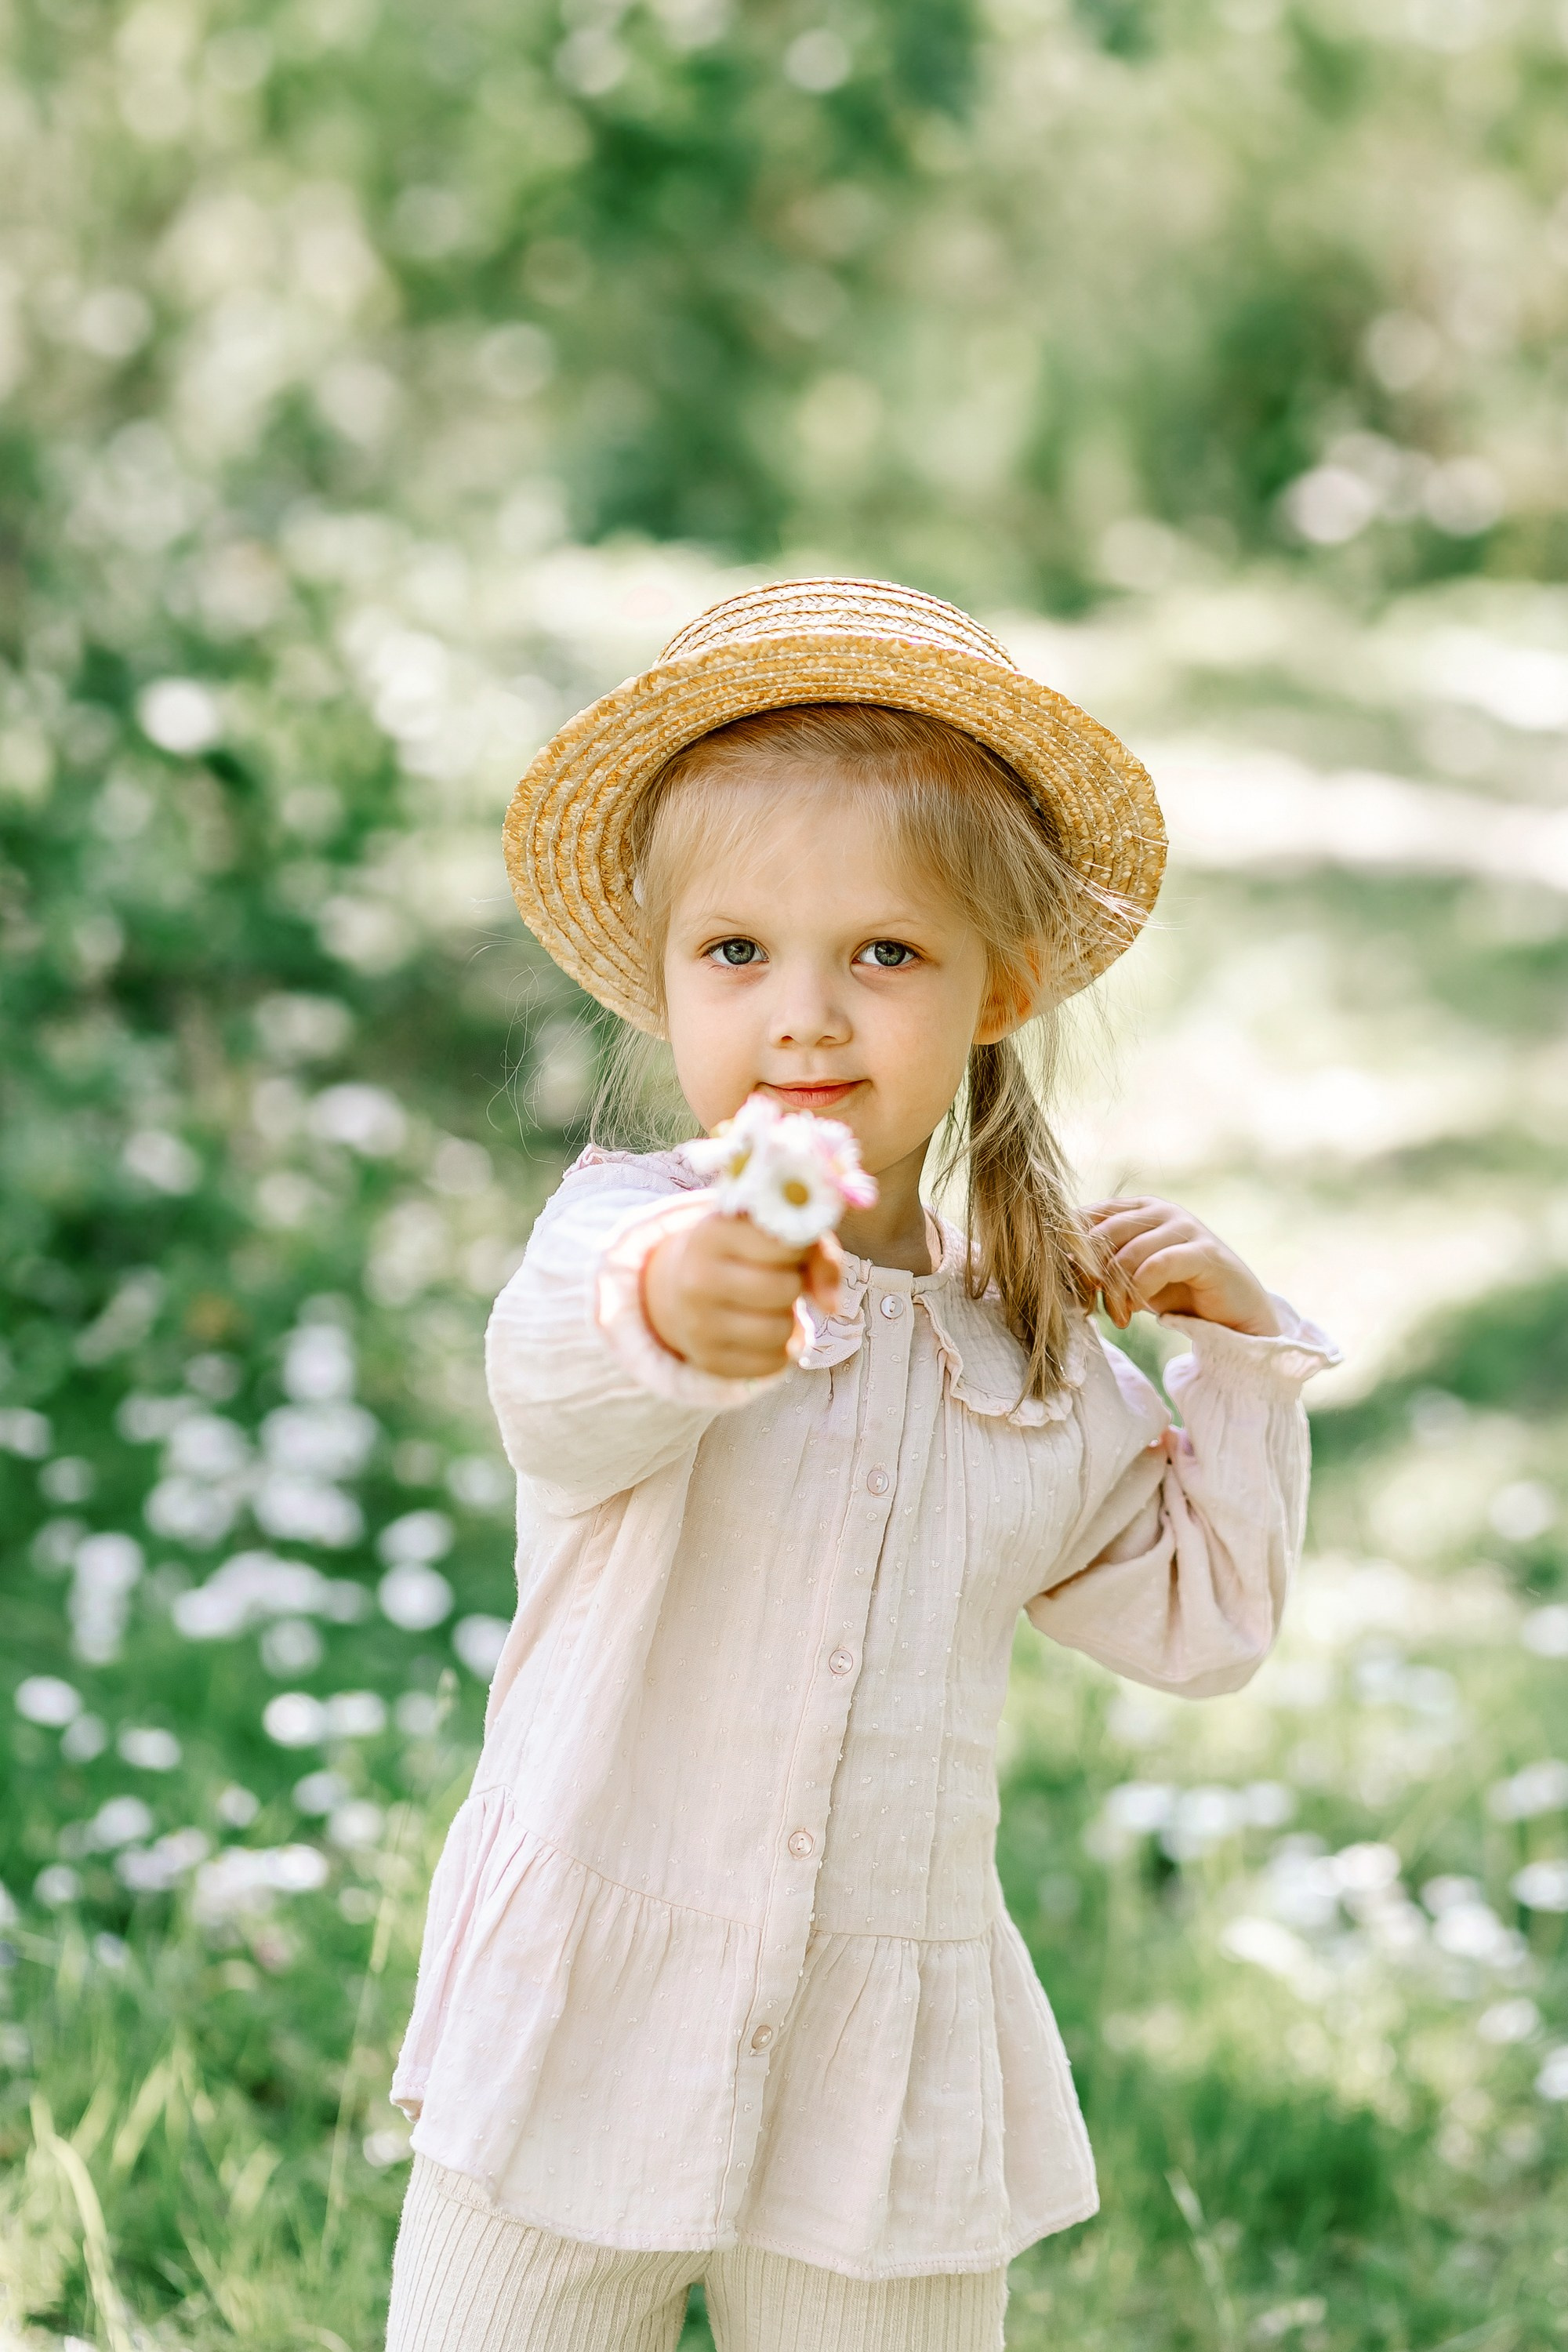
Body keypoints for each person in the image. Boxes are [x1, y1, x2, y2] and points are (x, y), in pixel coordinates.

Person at [384, 579, 1338, 2351]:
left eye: (884, 954)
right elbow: (569, 1390)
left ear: (998, 987)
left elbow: (1201, 1626)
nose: (805, 1017)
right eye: (736, 953)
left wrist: (1240, 1359)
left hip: (874, 2095)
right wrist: (688, 1301)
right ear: (663, 978)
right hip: (580, 2025)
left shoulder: (1027, 1355)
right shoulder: (623, 1238)